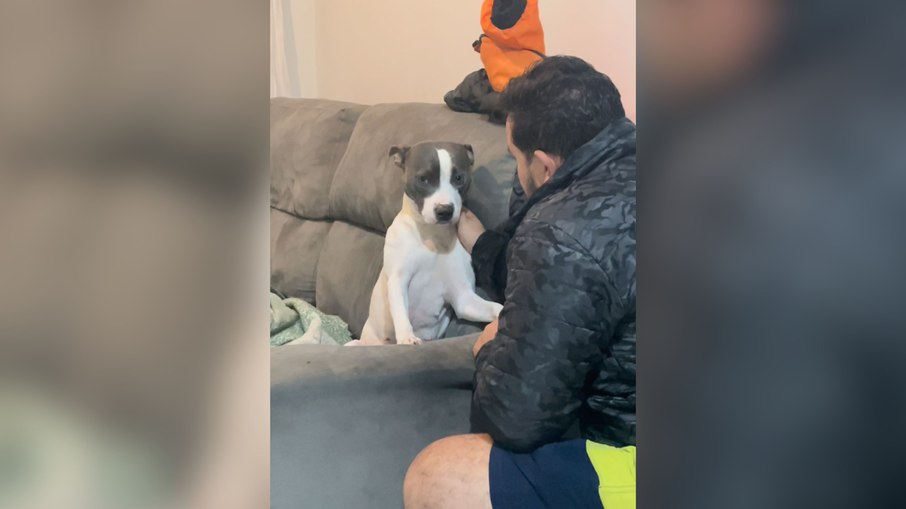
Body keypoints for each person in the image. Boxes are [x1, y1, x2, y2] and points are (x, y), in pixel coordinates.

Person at [403, 55, 636, 509]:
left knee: (437, 476)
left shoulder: (563, 228)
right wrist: (485, 244)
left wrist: (489, 348)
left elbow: (517, 418)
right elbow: (581, 275)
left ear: (545, 167)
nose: (517, 174)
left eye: (515, 159)